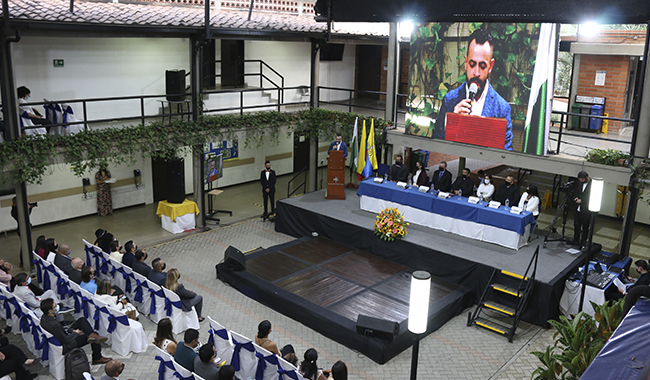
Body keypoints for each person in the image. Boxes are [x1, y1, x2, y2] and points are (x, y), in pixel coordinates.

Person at [433, 28, 513, 150]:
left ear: (490, 66)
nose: (476, 73)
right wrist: (451, 124)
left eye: (482, 66)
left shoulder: (502, 109)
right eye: (472, 64)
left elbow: (506, 156)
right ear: (465, 62)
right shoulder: (449, 100)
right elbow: (435, 145)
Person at [40, 298, 112, 365]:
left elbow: (60, 330)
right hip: (67, 345)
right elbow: (65, 339)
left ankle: (91, 334)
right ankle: (97, 358)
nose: (57, 307)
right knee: (95, 337)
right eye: (55, 306)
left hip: (62, 335)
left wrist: (70, 330)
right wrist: (76, 334)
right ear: (50, 311)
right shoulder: (53, 324)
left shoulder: (44, 317)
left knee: (82, 320)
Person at [10, 196, 35, 268]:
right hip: (22, 229)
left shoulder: (17, 210)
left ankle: (25, 260)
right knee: (24, 245)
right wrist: (28, 208)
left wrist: (29, 208)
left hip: (24, 228)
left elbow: (26, 216)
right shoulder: (15, 211)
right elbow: (22, 217)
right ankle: (23, 261)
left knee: (26, 244)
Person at [572, 171, 592, 249]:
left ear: (586, 178)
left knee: (585, 226)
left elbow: (591, 197)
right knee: (577, 224)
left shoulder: (592, 185)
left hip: (586, 209)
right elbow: (577, 192)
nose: (581, 181)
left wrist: (582, 201)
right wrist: (576, 197)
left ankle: (583, 241)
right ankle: (576, 238)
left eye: (582, 179)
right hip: (578, 208)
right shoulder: (579, 183)